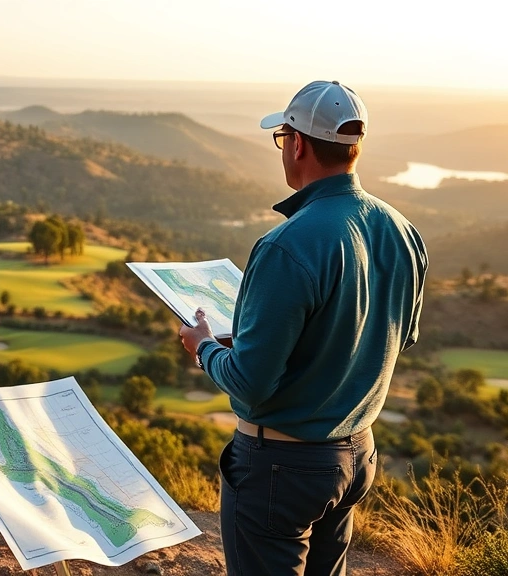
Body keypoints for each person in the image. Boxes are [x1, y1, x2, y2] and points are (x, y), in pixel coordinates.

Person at [179, 80, 428, 576]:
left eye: (282, 139)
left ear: (296, 143)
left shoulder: (286, 245)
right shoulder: (402, 231)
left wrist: (204, 346)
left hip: (282, 466)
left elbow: (251, 382)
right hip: (357, 454)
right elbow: (389, 337)